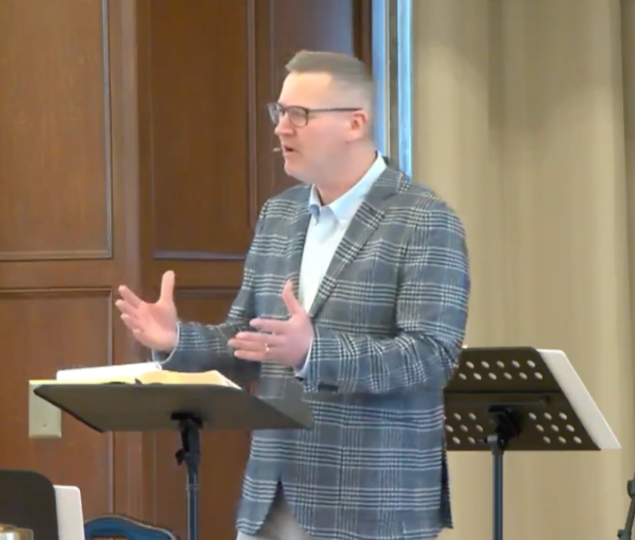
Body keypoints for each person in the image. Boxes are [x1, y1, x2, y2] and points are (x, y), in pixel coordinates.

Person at [115, 50, 470, 540]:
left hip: (373, 505)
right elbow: (247, 340)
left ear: (355, 123)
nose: (281, 128)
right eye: (279, 112)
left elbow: (431, 356)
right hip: (272, 499)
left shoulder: (424, 220)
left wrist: (312, 352)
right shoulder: (279, 215)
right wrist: (177, 339)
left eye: (299, 114)